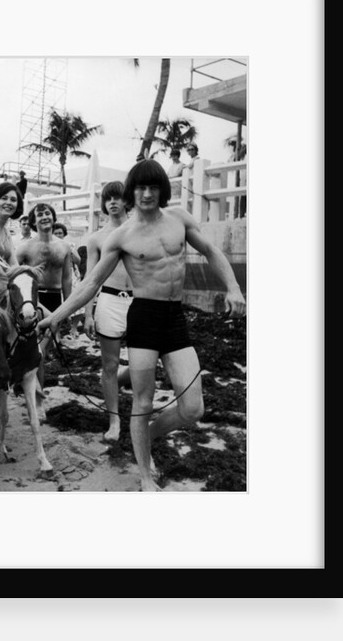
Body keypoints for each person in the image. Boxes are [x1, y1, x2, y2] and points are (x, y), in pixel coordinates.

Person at [38, 160, 246, 491]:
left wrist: (233, 287)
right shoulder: (122, 237)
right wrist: (55, 317)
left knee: (193, 408)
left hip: (175, 317)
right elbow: (91, 283)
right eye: (140, 188)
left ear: (162, 189)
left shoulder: (179, 220)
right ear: (132, 192)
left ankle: (146, 435)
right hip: (144, 319)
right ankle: (146, 477)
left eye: (152, 187)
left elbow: (211, 251)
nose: (146, 194)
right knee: (143, 402)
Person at [82, 181, 134, 442]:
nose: (112, 202)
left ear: (127, 200)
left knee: (142, 364)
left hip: (139, 301)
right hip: (109, 300)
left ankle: (128, 391)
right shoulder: (97, 238)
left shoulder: (139, 230)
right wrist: (88, 313)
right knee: (110, 364)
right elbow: (90, 278)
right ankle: (114, 420)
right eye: (108, 198)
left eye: (117, 197)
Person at [15, 202, 72, 315]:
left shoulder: (64, 247)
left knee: (54, 332)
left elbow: (67, 279)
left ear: (53, 218)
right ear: (33, 222)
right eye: (40, 215)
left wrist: (67, 309)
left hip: (56, 298)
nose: (45, 217)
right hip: (32, 299)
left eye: (47, 213)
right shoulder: (24, 248)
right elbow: (13, 276)